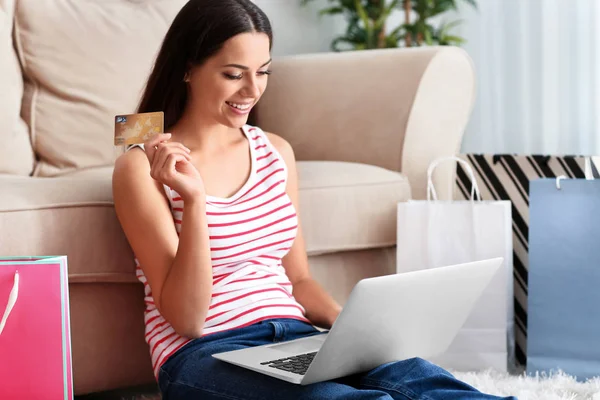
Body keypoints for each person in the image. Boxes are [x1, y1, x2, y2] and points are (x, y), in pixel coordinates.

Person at [112, 1, 517, 399]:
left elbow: (298, 278)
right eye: (234, 74)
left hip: (296, 335)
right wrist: (195, 201)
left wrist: (351, 329)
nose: (252, 91)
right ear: (187, 68)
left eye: (263, 72)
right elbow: (188, 318)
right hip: (205, 352)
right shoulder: (141, 169)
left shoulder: (275, 152)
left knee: (421, 380)